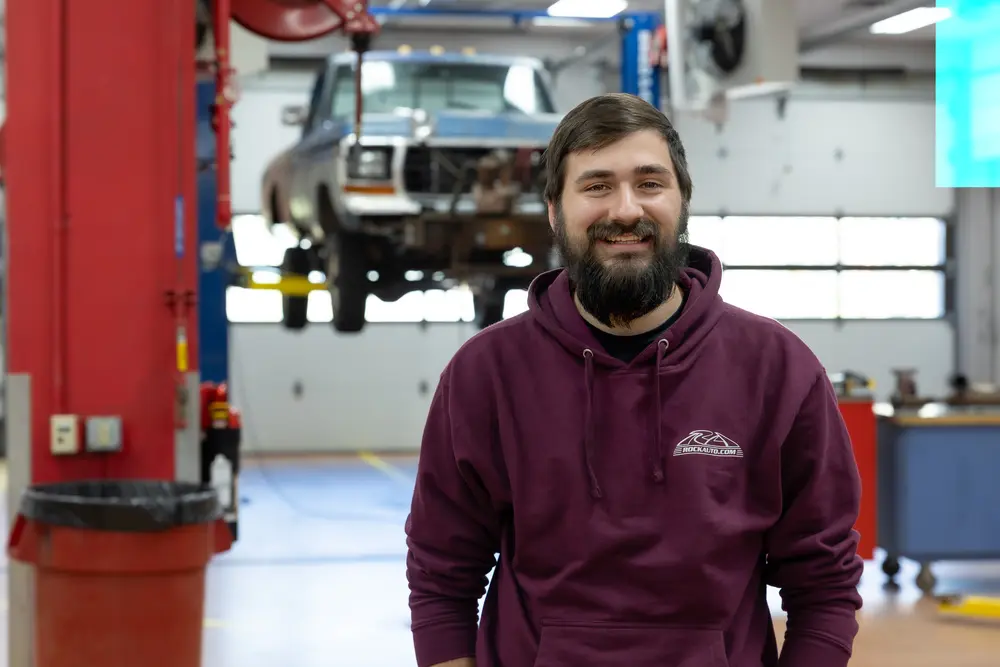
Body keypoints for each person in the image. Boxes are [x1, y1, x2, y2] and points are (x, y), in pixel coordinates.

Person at [404, 93, 863, 667]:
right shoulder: (485, 373)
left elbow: (824, 584)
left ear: (682, 200)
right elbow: (441, 575)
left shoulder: (776, 366)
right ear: (554, 209)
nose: (625, 209)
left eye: (650, 183)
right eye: (597, 186)